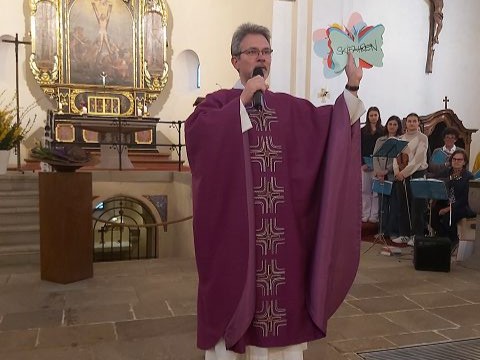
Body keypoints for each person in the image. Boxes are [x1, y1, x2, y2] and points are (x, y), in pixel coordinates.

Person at [185, 23, 365, 359]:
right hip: (236, 242)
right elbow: (198, 136)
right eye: (253, 52)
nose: (261, 58)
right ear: (236, 60)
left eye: (266, 52)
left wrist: (351, 88)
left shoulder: (290, 108)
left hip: (283, 247)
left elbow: (333, 128)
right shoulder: (218, 103)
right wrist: (242, 100)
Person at [392, 113, 429, 246]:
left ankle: (416, 235)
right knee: (403, 205)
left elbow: (418, 160)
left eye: (414, 121)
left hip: (417, 174)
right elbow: (395, 158)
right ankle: (404, 234)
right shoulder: (400, 139)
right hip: (401, 175)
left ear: (418, 123)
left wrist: (404, 173)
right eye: (409, 121)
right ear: (405, 123)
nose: (412, 123)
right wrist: (397, 172)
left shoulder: (422, 138)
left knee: (417, 206)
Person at [431, 149, 476, 248]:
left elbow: (465, 198)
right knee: (432, 216)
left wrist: (448, 208)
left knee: (449, 217)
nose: (456, 162)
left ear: (464, 162)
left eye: (459, 160)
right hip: (446, 202)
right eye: (454, 159)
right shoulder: (447, 172)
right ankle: (444, 240)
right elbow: (434, 178)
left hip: (462, 205)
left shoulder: (469, 176)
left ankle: (451, 240)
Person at [372, 115, 403, 238]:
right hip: (380, 177)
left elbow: (399, 159)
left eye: (395, 124)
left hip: (393, 176)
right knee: (382, 206)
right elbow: (375, 157)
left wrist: (387, 171)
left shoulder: (401, 140)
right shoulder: (380, 140)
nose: (392, 126)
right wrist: (379, 172)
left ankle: (392, 232)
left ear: (398, 126)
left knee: (394, 206)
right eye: (390, 124)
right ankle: (382, 230)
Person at [361, 107, 383, 223]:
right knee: (365, 190)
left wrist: (378, 165)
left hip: (378, 166)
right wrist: (362, 163)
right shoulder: (362, 131)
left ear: (379, 116)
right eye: (371, 115)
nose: (373, 117)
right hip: (364, 165)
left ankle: (374, 215)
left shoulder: (383, 131)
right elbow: (358, 148)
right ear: (368, 117)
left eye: (375, 115)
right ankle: (365, 213)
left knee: (376, 192)